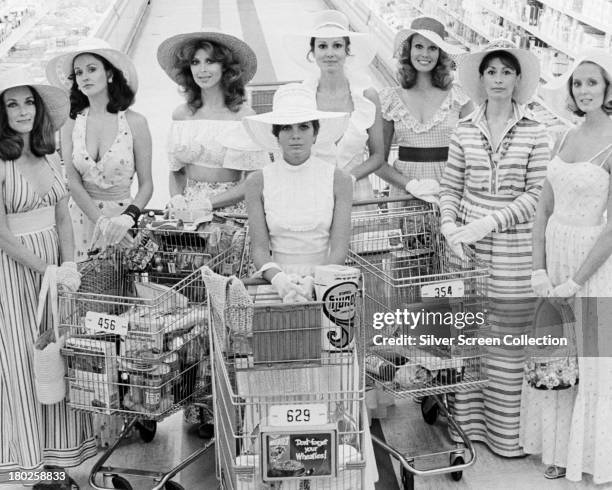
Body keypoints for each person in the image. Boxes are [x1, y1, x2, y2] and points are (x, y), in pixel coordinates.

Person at [243, 83, 378, 488]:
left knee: (330, 388)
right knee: (278, 387)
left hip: (329, 293)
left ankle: (331, 477)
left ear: (316, 131)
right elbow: (260, 248)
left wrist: (314, 283)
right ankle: (279, 472)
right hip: (274, 294)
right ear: (276, 134)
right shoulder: (258, 180)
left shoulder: (339, 179)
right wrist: (281, 279)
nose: (296, 135)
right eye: (287, 127)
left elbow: (339, 245)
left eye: (304, 126)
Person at [440, 39, 549, 457]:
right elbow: (451, 186)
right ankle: (467, 428)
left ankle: (507, 436)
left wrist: (491, 221)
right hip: (466, 249)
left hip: (513, 250)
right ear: (481, 80)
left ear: (518, 80)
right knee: (468, 335)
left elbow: (537, 194)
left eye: (507, 72)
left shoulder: (535, 132)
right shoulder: (464, 130)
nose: (499, 79)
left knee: (507, 340)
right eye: (492, 72)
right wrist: (451, 225)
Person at [0, 67, 96, 488]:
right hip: (15, 275)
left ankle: (58, 460)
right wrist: (48, 271)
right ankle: (27, 465)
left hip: (55, 273)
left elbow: (62, 217)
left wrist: (69, 264)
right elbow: (2, 237)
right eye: (12, 103)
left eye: (28, 102)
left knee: (56, 354)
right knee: (22, 362)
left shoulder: (49, 155)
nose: (22, 111)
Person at [520, 49, 612, 483]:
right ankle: (556, 450)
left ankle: (590, 456)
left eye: (592, 81)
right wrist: (539, 269)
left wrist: (576, 281)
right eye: (577, 83)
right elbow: (543, 209)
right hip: (555, 256)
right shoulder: (564, 136)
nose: (584, 90)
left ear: (608, 87)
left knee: (594, 359)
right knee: (555, 352)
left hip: (593, 264)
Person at [46, 38, 153, 261]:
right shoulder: (71, 122)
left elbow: (147, 184)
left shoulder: (136, 122)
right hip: (79, 217)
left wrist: (128, 217)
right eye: (79, 72)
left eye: (92, 69)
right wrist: (101, 221)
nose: (84, 76)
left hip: (121, 222)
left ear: (110, 74)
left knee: (119, 287)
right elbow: (73, 182)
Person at [157, 29, 269, 218]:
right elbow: (177, 171)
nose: (202, 70)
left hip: (230, 215)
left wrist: (209, 204)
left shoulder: (242, 117)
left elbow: (254, 179)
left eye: (210, 61)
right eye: (195, 62)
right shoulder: (181, 115)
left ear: (225, 67)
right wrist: (177, 198)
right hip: (188, 213)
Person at [284, 9, 384, 203]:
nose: (330, 53)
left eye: (337, 45)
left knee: (364, 235)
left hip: (357, 190)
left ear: (347, 50)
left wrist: (349, 178)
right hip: (312, 190)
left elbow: (378, 156)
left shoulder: (367, 96)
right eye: (322, 46)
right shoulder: (301, 97)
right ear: (313, 52)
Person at [377, 17, 473, 201]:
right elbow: (378, 162)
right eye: (419, 46)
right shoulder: (391, 100)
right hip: (405, 196)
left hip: (449, 195)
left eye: (432, 48)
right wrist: (410, 185)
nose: (425, 54)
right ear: (409, 50)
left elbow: (473, 157)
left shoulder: (459, 98)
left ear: (441, 53)